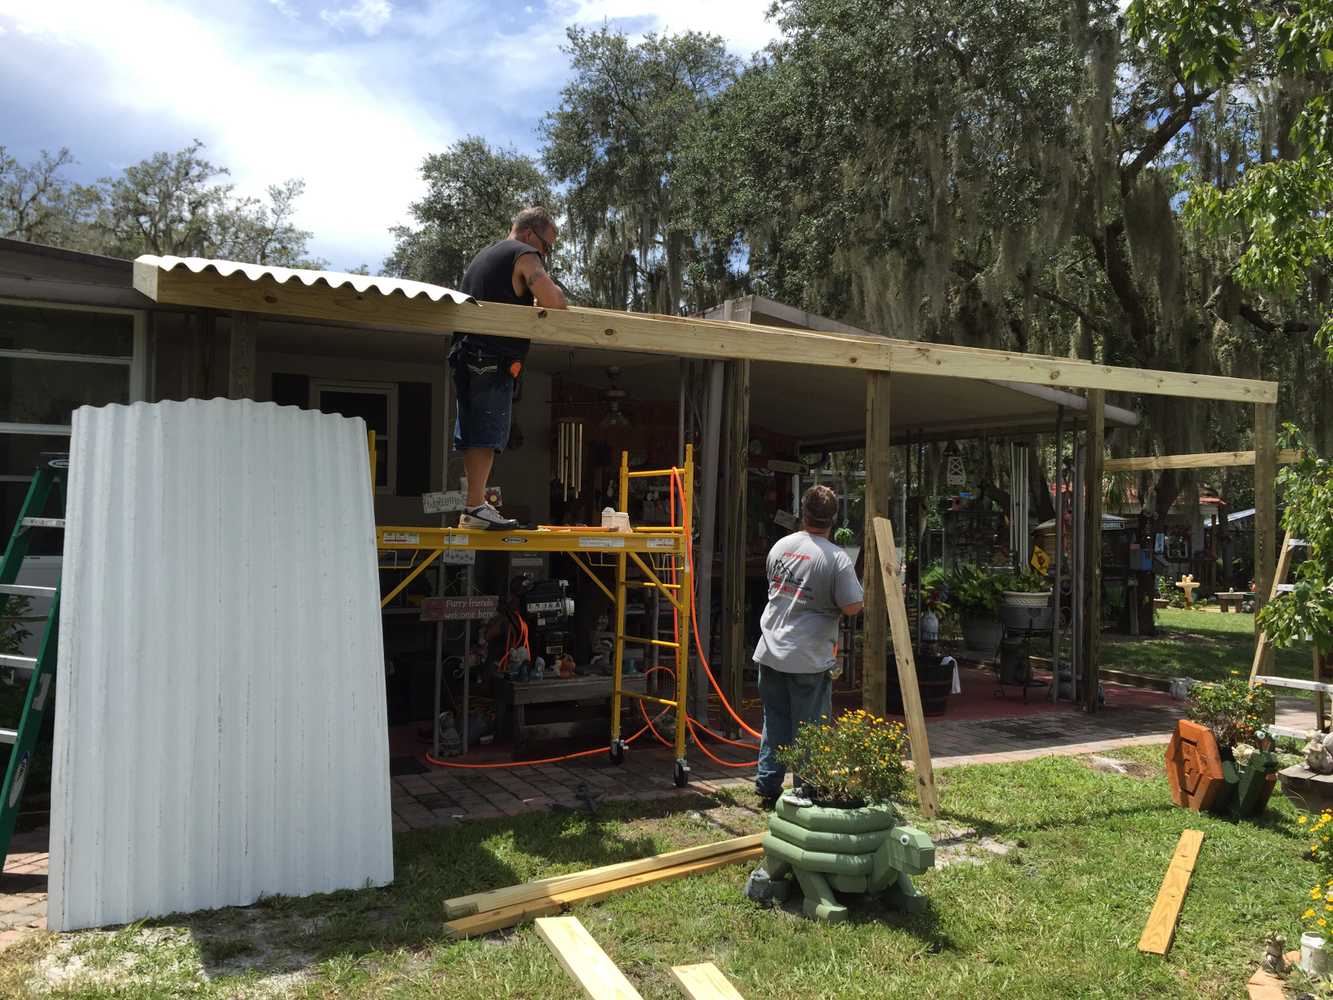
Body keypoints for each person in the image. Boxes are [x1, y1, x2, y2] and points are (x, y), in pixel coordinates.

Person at [451, 206, 568, 529]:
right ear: (530, 234)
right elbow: (554, 303)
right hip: (491, 357)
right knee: (487, 435)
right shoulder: (524, 254)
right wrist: (550, 287)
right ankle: (475, 508)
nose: (545, 254)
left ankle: (473, 505)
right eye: (548, 246)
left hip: (465, 353)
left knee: (474, 434)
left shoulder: (486, 256)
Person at [753, 485, 864, 807]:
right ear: (834, 518)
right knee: (810, 728)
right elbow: (853, 605)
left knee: (774, 721)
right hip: (807, 657)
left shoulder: (781, 546)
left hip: (771, 649)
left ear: (803, 513)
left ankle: (767, 785)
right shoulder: (836, 559)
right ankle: (807, 789)